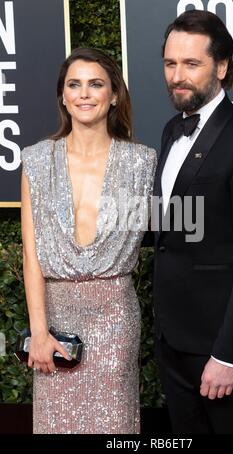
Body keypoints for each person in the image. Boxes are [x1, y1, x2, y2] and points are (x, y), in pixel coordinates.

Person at [152, 10, 233, 434]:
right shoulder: (172, 130)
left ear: (222, 67)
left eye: (191, 64)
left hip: (219, 348)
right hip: (172, 339)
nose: (177, 76)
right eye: (171, 64)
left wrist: (228, 356)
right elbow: (173, 229)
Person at [21, 47, 156, 434]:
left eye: (95, 84)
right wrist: (40, 333)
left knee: (115, 427)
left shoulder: (141, 162)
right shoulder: (36, 160)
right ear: (62, 96)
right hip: (54, 320)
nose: (84, 93)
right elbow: (32, 256)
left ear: (114, 94)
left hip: (115, 319)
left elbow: (185, 226)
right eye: (74, 84)